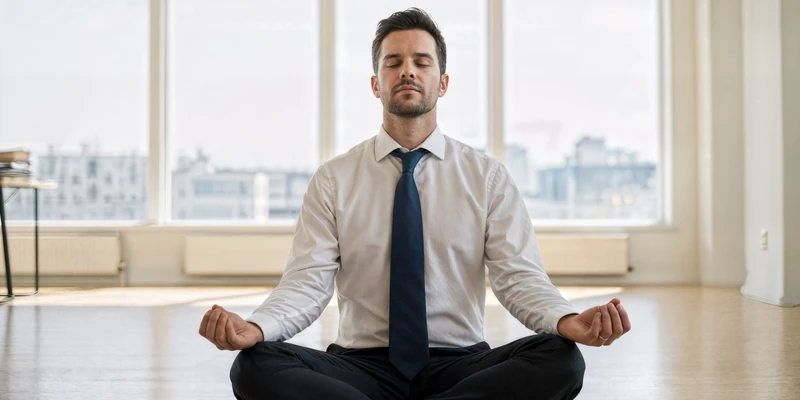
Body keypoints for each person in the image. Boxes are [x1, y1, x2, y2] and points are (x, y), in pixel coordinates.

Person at [199, 8, 631, 400]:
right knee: (255, 365)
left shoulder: (487, 178)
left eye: (422, 62)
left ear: (442, 83)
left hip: (460, 363)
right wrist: (255, 328)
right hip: (360, 364)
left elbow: (518, 278)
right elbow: (306, 285)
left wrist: (566, 320)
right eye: (394, 62)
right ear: (376, 84)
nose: (408, 71)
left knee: (561, 358)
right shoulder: (334, 179)